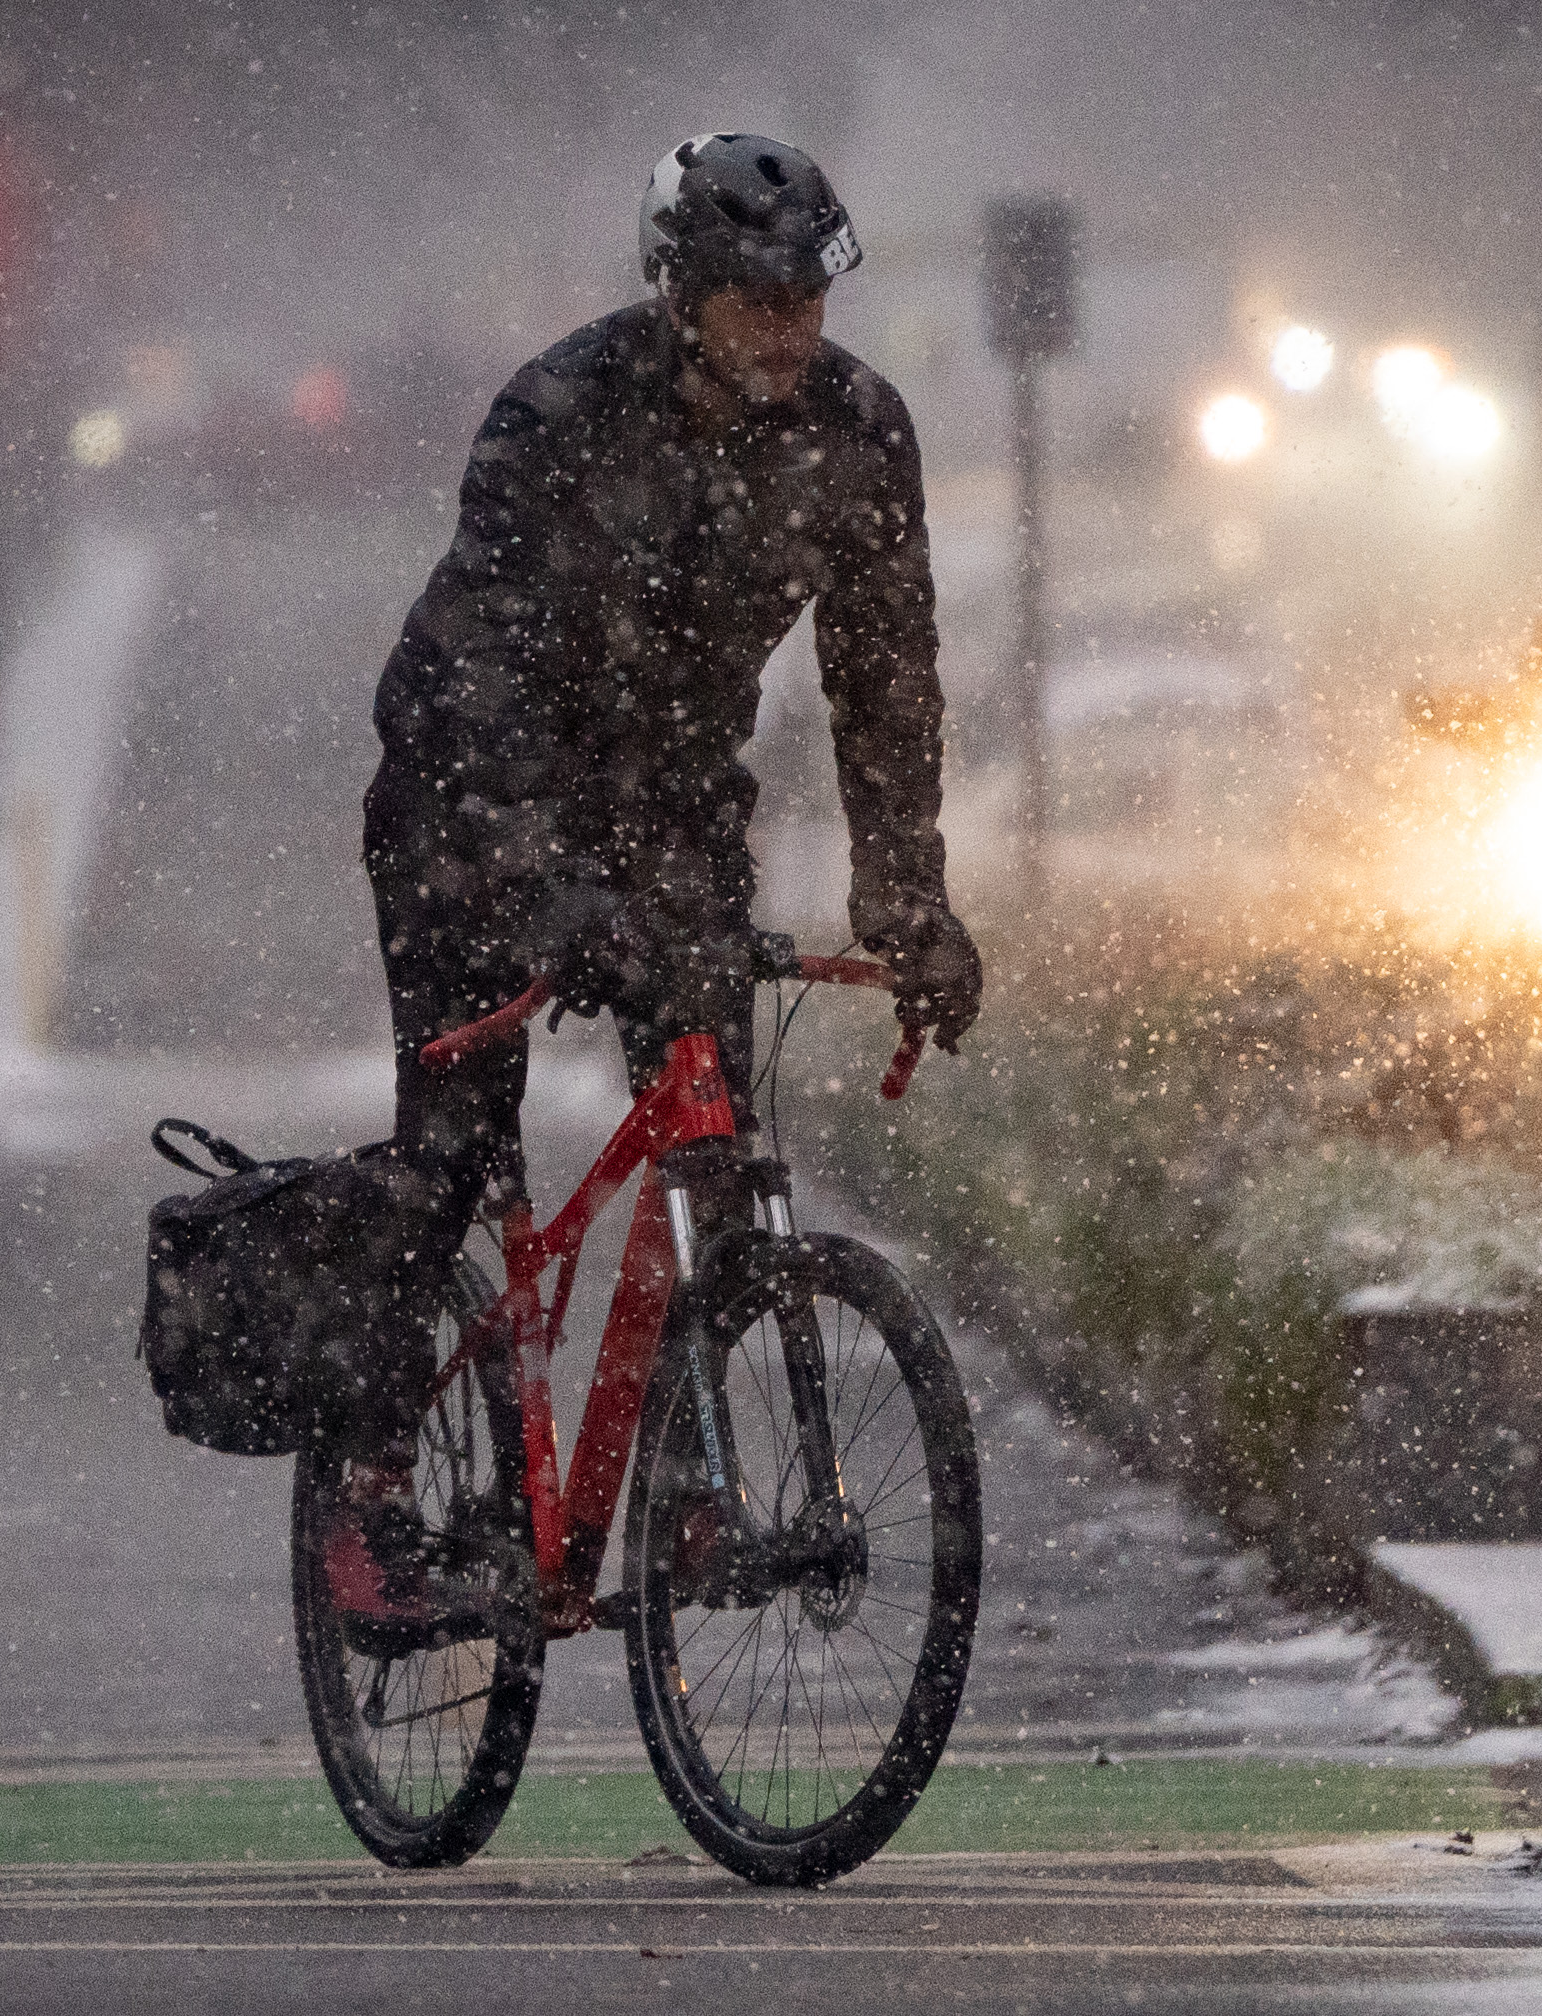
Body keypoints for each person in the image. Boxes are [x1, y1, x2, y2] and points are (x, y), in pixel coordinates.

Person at [341, 131, 982, 1586]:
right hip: (466, 796)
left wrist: (909, 901)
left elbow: (887, 676)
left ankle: (687, 1492)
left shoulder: (860, 431)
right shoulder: (562, 410)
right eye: (757, 305)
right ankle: (378, 1488)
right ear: (681, 298)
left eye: (809, 304)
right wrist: (539, 882)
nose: (790, 337)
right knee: (453, 1148)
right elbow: (482, 679)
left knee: (712, 1130)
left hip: (671, 802)